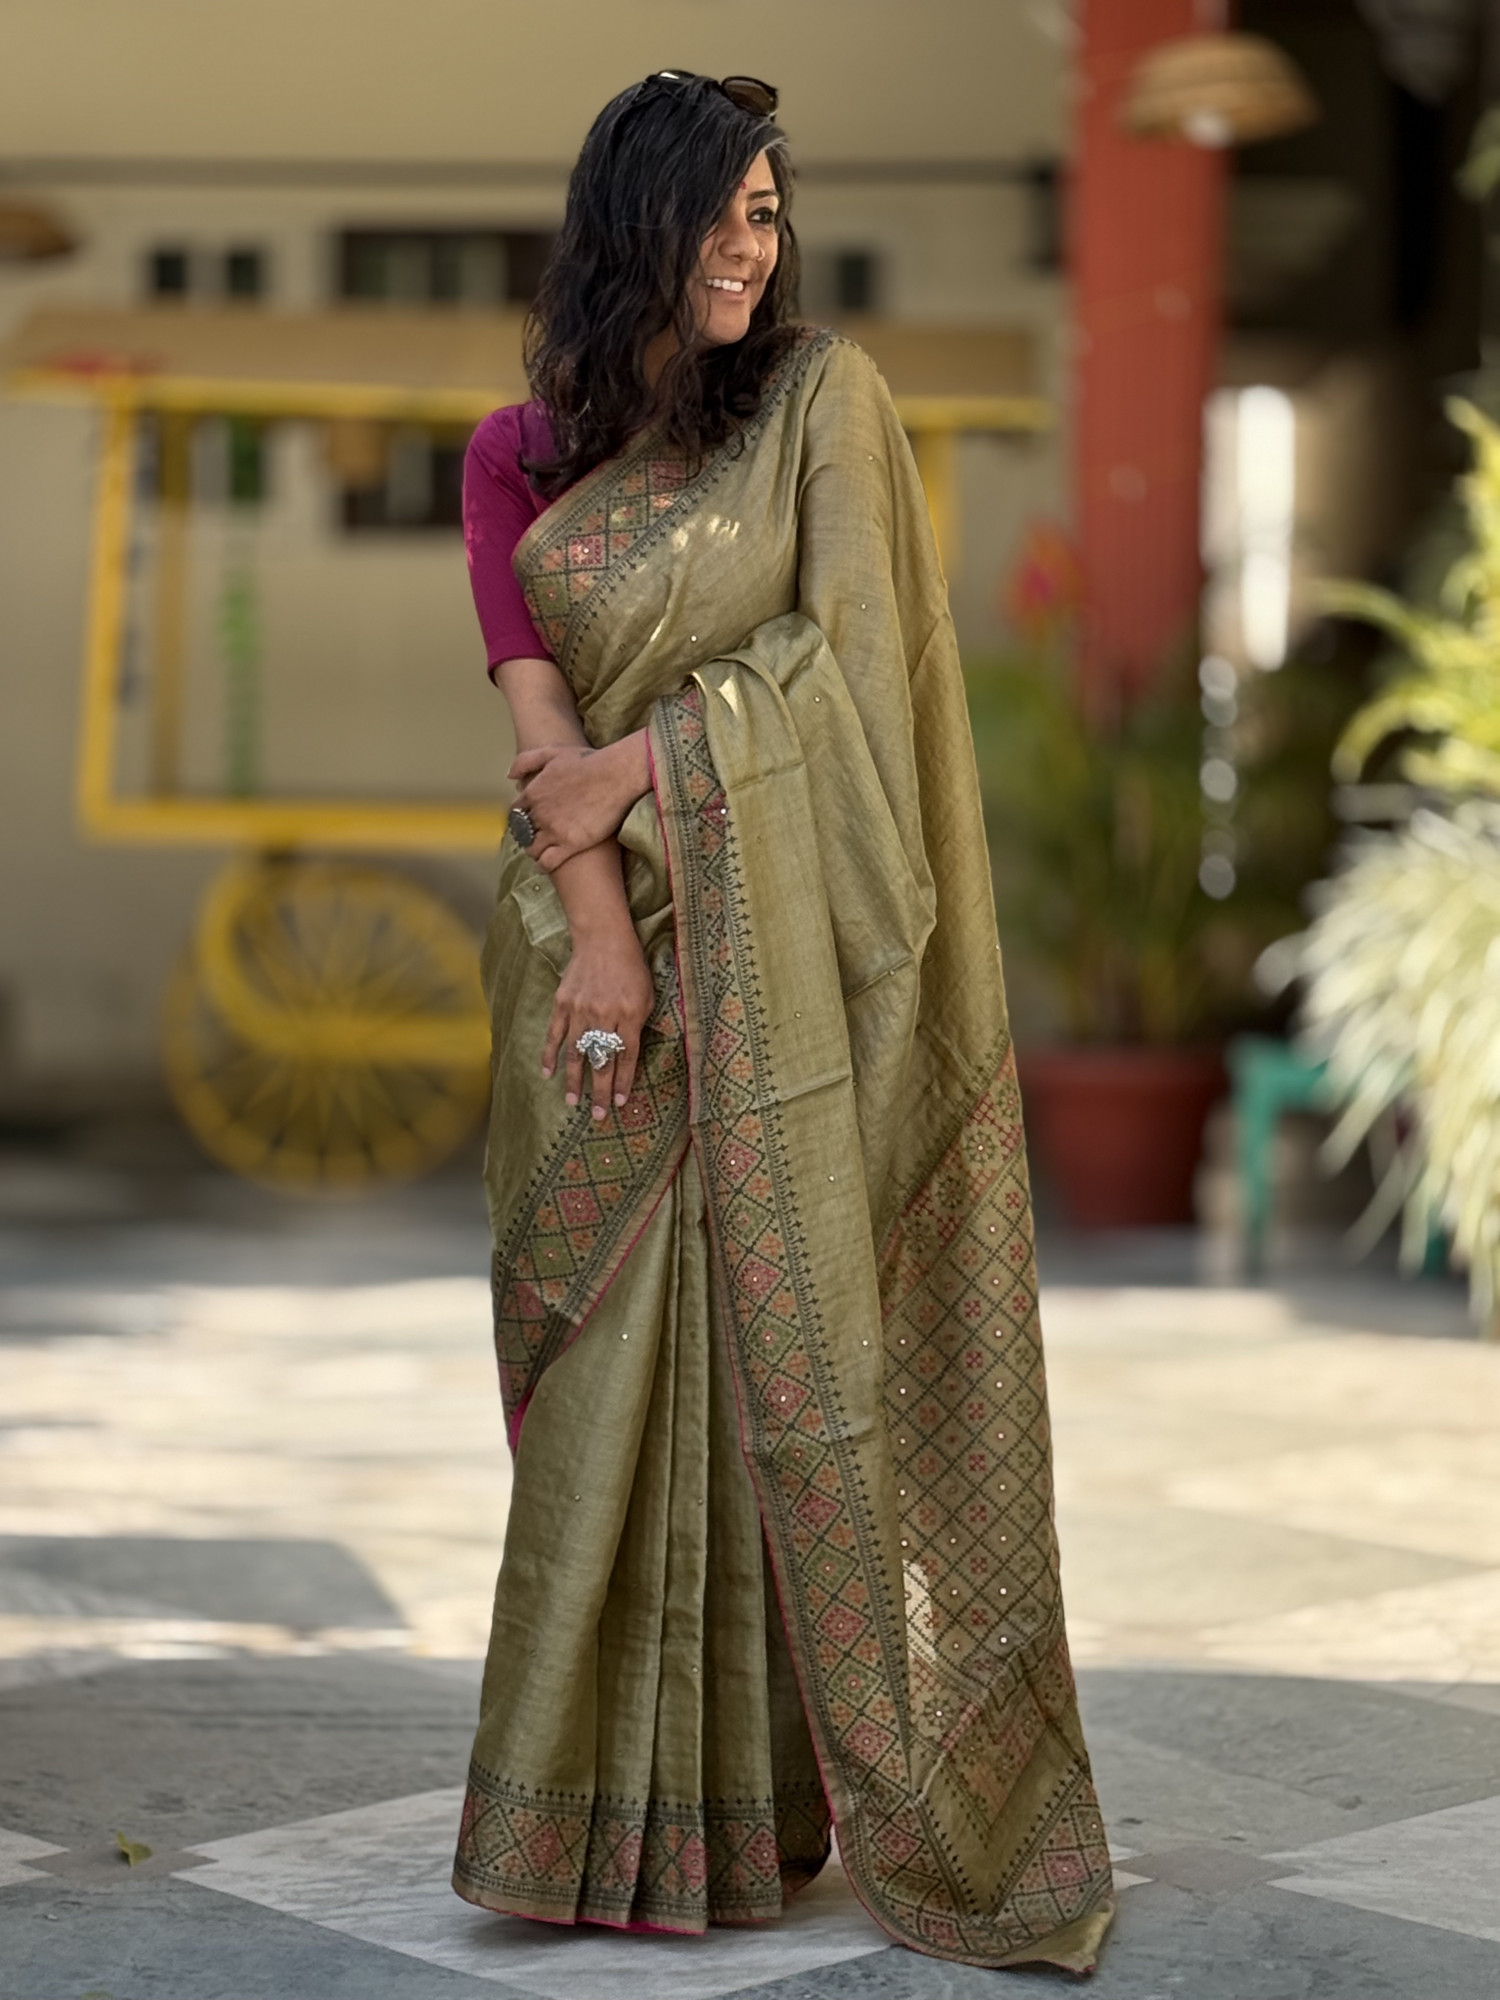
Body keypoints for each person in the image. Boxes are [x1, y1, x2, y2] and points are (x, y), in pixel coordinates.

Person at [453, 69, 1114, 1973]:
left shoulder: (823, 404)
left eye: (769, 212)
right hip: (585, 962)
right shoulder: (515, 456)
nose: (751, 248)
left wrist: (650, 762)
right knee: (604, 1380)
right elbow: (538, 749)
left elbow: (842, 666)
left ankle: (757, 1821)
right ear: (634, 221)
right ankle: (576, 1825)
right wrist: (606, 941)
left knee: (782, 1381)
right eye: (720, 212)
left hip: (779, 960)